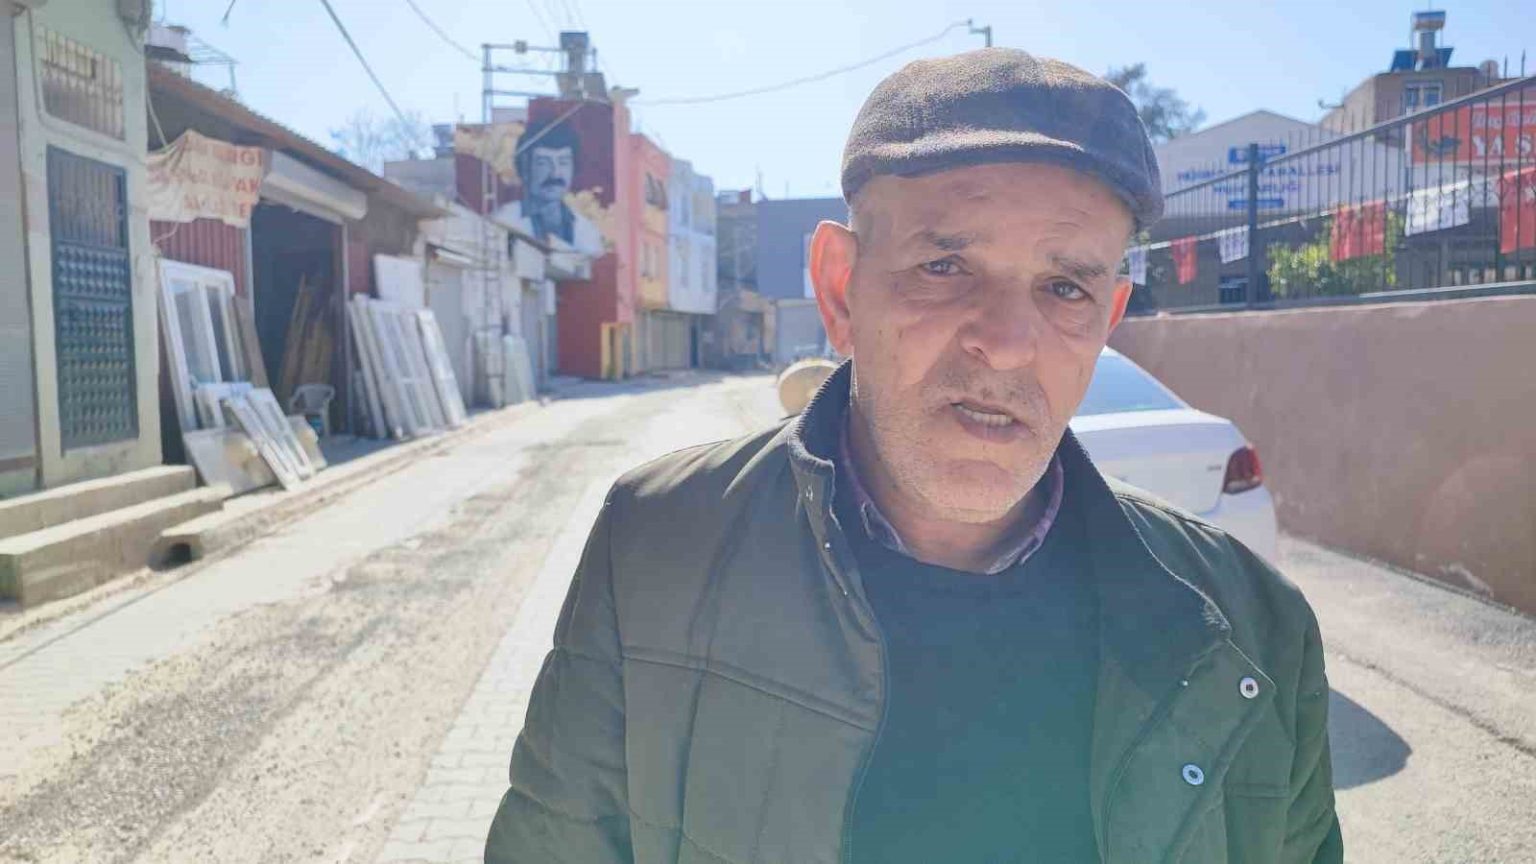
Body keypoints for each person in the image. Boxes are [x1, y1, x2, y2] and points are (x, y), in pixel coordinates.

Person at [486, 48, 1342, 864]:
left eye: (1065, 287)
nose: (1007, 343)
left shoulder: (1257, 632)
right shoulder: (657, 548)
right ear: (839, 289)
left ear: (1107, 318)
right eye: (945, 265)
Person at [492, 120, 605, 257]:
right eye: (543, 163)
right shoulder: (503, 222)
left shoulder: (587, 231)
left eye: (563, 162)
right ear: (525, 168)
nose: (555, 173)